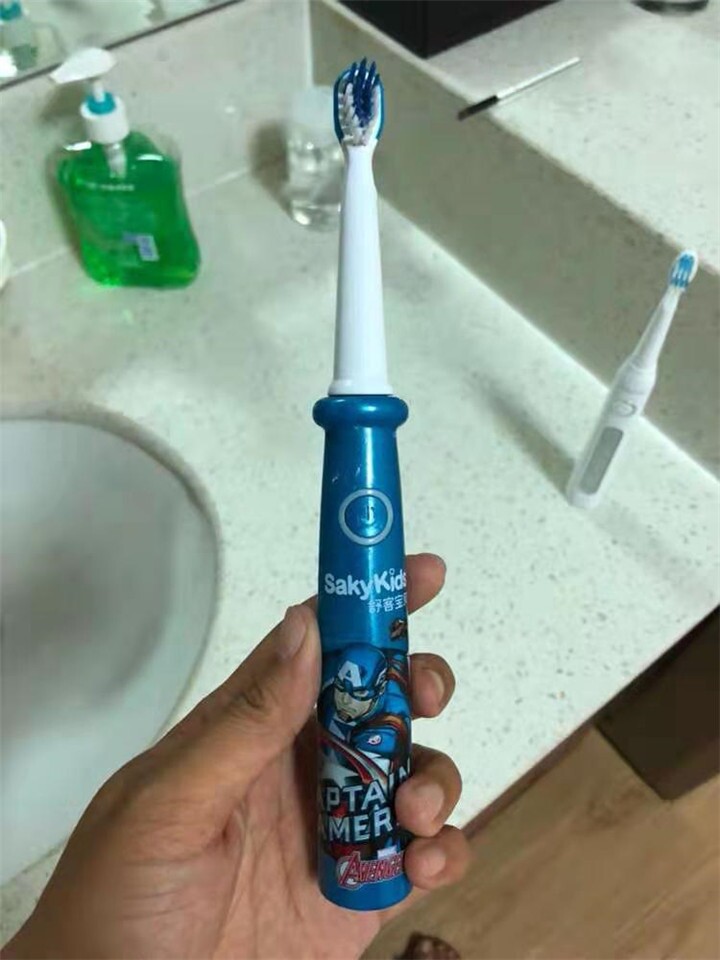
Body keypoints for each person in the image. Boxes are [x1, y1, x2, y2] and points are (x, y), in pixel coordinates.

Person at [2, 554, 468, 959]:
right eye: (344, 689)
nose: (348, 698)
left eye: (359, 692)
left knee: (409, 785)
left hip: (331, 855)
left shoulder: (381, 722)